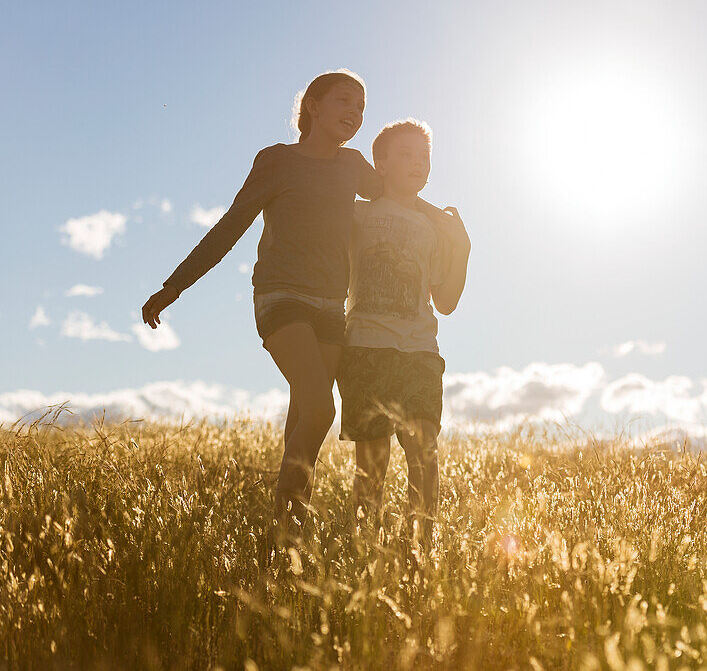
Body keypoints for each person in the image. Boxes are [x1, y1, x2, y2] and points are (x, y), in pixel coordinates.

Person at [139, 71, 449, 535]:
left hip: (329, 309)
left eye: (361, 107)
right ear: (313, 106)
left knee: (303, 414)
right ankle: (285, 525)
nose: (355, 113)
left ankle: (283, 549)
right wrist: (174, 285)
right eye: (344, 101)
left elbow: (395, 194)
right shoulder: (276, 160)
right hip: (281, 298)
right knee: (320, 409)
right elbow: (231, 225)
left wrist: (445, 220)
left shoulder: (352, 166)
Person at [337, 118, 470, 553]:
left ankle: (419, 552)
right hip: (366, 347)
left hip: (418, 351)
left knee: (424, 455)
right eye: (407, 154)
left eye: (424, 156)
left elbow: (446, 301)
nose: (418, 163)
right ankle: (364, 556)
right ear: (381, 163)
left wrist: (463, 249)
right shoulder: (356, 214)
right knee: (371, 468)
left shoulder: (434, 227)